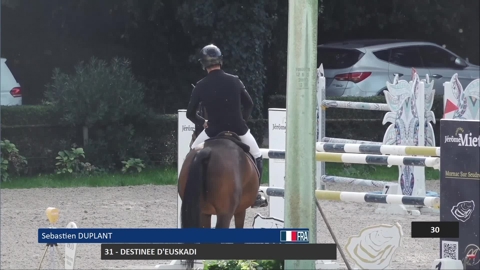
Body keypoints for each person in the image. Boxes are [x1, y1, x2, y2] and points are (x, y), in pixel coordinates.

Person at [186, 44, 267, 208]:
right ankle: (256, 193)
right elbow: (249, 104)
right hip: (238, 129)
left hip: (213, 130)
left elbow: (190, 114)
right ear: (220, 61)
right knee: (257, 155)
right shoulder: (235, 80)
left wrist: (204, 123)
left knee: (193, 152)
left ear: (204, 64)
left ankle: (191, 189)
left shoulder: (201, 85)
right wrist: (242, 120)